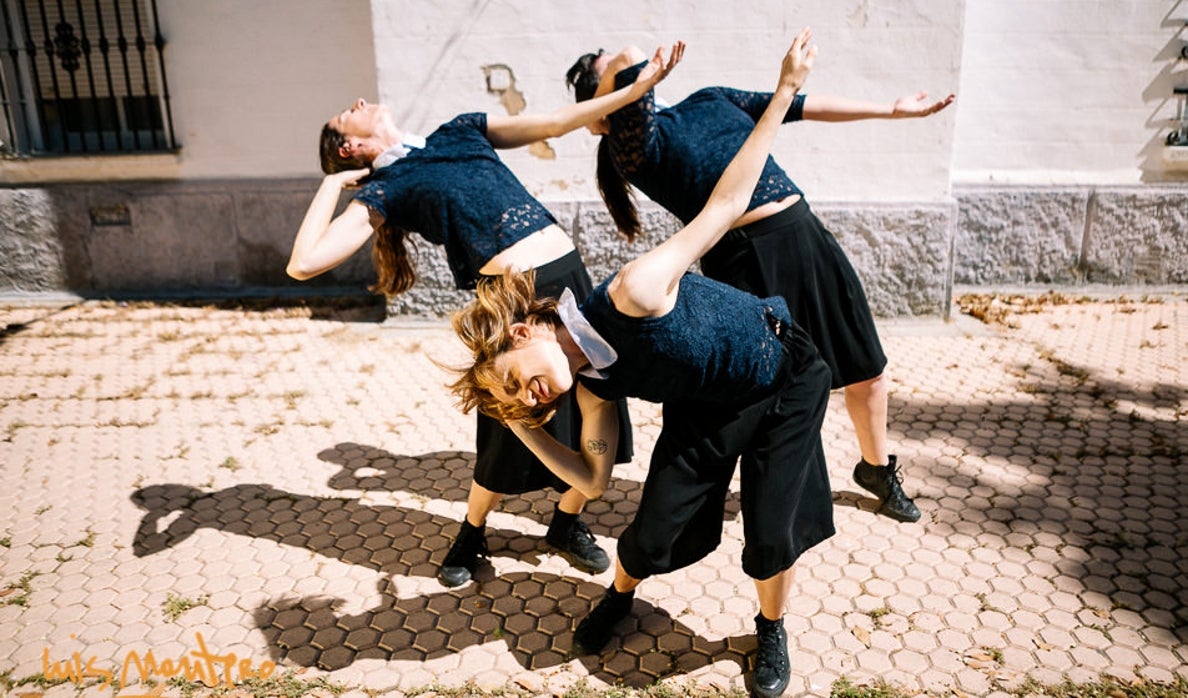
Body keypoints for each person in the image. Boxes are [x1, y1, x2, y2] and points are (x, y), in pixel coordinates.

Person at [449, 30, 821, 698]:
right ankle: (621, 594)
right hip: (706, 400)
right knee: (649, 530)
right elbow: (589, 481)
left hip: (784, 375)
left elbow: (727, 205)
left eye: (512, 376)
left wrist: (787, 88)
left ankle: (771, 628)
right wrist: (522, 426)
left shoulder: (634, 291)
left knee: (770, 529)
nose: (525, 393)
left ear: (530, 326)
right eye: (515, 396)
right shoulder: (588, 380)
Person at [286, 43, 684, 588]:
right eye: (345, 113)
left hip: (569, 277)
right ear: (352, 146)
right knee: (505, 431)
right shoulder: (386, 187)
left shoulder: (458, 130)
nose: (358, 100)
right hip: (512, 302)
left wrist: (633, 92)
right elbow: (304, 264)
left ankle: (566, 524)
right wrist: (332, 183)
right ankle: (472, 531)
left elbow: (557, 120)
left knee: (595, 406)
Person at [565, 41, 956, 524]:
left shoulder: (710, 98)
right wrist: (608, 95)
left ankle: (876, 469)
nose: (625, 78)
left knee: (867, 367)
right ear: (601, 115)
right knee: (771, 391)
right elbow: (630, 58)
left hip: (803, 232)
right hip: (742, 258)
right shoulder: (636, 146)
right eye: (607, 87)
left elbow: (794, 106)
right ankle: (774, 497)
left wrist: (890, 111)